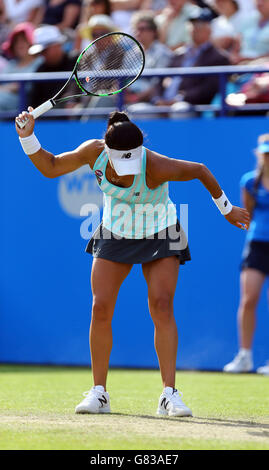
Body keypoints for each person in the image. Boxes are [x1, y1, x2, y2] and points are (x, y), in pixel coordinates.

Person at [15, 108, 250, 415]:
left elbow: (200, 170)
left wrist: (226, 207)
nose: (128, 166)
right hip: (115, 230)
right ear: (106, 148)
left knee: (161, 304)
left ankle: (169, 394)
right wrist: (27, 136)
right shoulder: (93, 152)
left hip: (161, 230)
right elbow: (51, 166)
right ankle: (99, 393)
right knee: (100, 307)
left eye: (132, 158)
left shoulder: (156, 165)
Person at [224, 134, 269, 376]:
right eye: (265, 153)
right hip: (257, 245)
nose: (268, 157)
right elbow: (248, 214)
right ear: (260, 155)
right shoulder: (249, 182)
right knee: (248, 299)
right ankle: (245, 356)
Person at [152, 8, 231, 112]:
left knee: (179, 110)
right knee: (138, 110)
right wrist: (158, 99)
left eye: (199, 25)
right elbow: (160, 79)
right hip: (165, 104)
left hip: (192, 106)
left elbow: (208, 89)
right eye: (192, 24)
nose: (194, 29)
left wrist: (179, 99)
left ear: (209, 29)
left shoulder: (218, 57)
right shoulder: (178, 54)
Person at [125, 12, 174, 106]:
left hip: (150, 101)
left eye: (142, 29)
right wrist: (125, 96)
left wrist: (137, 98)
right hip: (129, 99)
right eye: (136, 29)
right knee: (104, 101)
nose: (138, 32)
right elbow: (122, 79)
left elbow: (158, 85)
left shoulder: (163, 53)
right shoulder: (130, 54)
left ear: (154, 32)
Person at [27, 24, 77, 110]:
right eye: (41, 52)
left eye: (45, 50)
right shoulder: (40, 70)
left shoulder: (76, 60)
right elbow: (34, 104)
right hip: (46, 120)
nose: (42, 55)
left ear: (57, 45)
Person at [0, 22, 42, 111]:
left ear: (31, 43)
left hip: (24, 109)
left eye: (24, 40)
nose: (20, 45)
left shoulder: (40, 62)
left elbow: (29, 87)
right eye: (17, 42)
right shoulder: (11, 64)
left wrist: (11, 87)